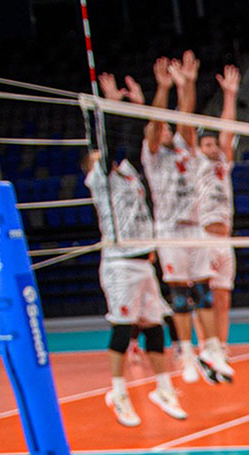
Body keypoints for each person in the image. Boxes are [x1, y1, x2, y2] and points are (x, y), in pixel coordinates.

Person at [86, 75, 186, 427]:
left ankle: (163, 388)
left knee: (155, 328)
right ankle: (119, 392)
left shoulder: (128, 173)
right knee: (122, 327)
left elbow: (135, 139)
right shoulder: (100, 178)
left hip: (144, 262)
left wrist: (135, 105)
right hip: (119, 263)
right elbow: (110, 140)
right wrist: (110, 106)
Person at [142, 52, 217, 384]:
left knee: (204, 293)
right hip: (170, 230)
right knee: (179, 297)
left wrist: (188, 84)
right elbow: (156, 123)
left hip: (195, 227)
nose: (166, 131)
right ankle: (186, 352)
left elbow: (186, 116)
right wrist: (163, 88)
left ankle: (211, 349)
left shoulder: (185, 146)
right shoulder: (153, 154)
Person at [191, 63, 241, 383]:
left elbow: (228, 130)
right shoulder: (196, 165)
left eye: (214, 144)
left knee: (223, 297)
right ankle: (203, 347)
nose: (212, 148)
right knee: (205, 296)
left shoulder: (223, 162)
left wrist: (230, 95)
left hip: (225, 238)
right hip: (203, 236)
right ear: (199, 149)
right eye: (206, 145)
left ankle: (221, 347)